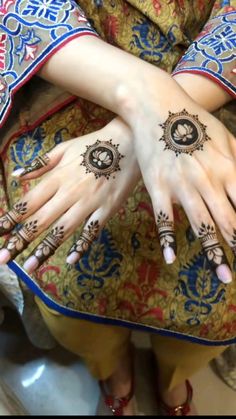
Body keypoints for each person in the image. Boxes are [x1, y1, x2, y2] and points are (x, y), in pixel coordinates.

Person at [0, 0, 235, 415]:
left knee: (217, 294)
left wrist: (136, 128)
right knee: (70, 281)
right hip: (75, 70)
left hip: (213, 85)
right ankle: (113, 371)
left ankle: (172, 382)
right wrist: (141, 92)